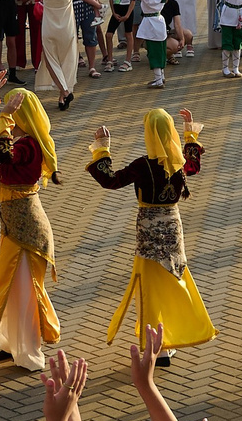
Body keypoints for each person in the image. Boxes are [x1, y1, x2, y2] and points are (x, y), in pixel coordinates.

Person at [89, 109, 215, 361]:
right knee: (172, 279)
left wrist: (102, 149)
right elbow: (194, 164)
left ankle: (157, 346)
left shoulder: (143, 165)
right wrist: (189, 131)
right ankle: (167, 342)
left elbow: (111, 180)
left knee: (150, 287)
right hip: (173, 228)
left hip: (148, 230)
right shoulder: (178, 161)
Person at [0, 79, 63, 373]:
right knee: (12, 287)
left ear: (21, 116)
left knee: (25, 289)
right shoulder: (16, 137)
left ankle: (30, 350)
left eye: (12, 113)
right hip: (13, 226)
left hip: (27, 229)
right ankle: (12, 344)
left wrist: (6, 116)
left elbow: (3, 152)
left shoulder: (29, 147)